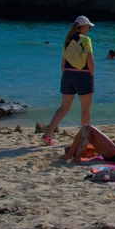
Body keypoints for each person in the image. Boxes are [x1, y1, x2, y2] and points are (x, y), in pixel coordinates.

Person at [43, 17, 95, 146]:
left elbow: (63, 63)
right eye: (88, 26)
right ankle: (85, 139)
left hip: (67, 75)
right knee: (86, 110)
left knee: (64, 107)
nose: (89, 29)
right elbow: (90, 61)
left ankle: (48, 134)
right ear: (83, 27)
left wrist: (65, 76)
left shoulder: (67, 41)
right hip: (82, 75)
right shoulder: (86, 39)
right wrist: (91, 75)